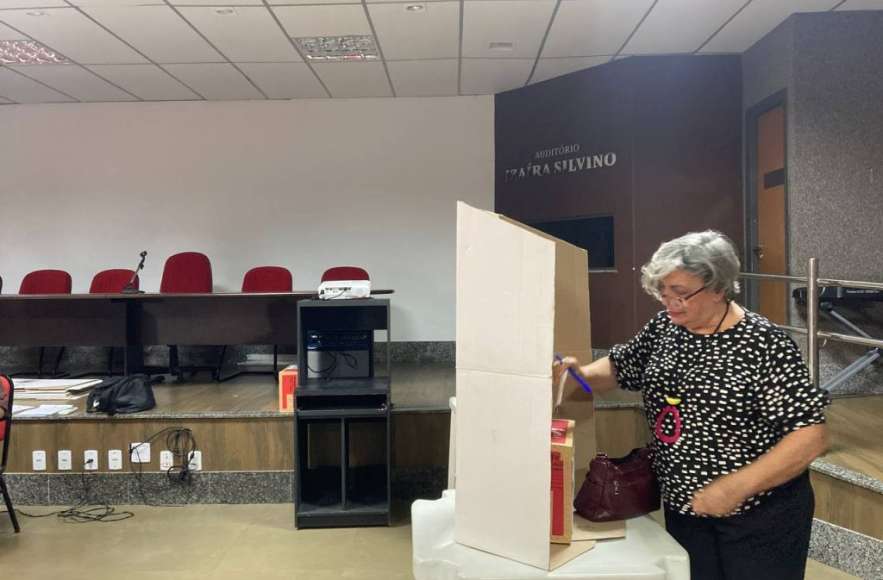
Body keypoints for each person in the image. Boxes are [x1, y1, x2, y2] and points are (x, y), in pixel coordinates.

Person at [555, 230, 829, 580]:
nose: (670, 303)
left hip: (759, 516)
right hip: (687, 507)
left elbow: (810, 436)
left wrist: (734, 487)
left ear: (718, 288)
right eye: (663, 292)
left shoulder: (764, 344)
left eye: (681, 293)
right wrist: (582, 376)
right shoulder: (666, 328)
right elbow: (621, 365)